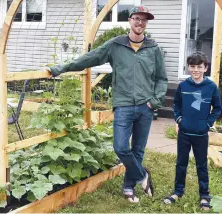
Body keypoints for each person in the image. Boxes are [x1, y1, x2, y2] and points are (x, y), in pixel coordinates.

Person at [47, 5, 168, 203]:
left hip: (146, 107)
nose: (140, 23)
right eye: (137, 18)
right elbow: (89, 58)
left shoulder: (153, 49)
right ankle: (142, 176)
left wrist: (155, 101)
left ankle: (129, 188)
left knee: (138, 150)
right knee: (120, 148)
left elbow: (162, 79)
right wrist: (61, 68)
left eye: (144, 20)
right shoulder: (116, 45)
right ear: (130, 20)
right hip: (123, 105)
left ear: (146, 23)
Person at [163, 52, 221, 210]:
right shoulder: (183, 86)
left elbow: (217, 108)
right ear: (189, 67)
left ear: (205, 68)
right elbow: (176, 105)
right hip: (184, 133)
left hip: (201, 134)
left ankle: (204, 195)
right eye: (192, 66)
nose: (196, 70)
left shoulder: (211, 87)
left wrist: (207, 123)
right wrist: (179, 119)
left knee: (201, 165)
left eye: (199, 67)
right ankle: (177, 192)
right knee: (181, 163)